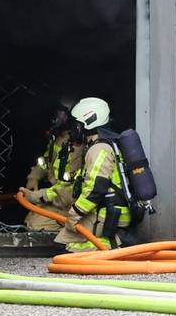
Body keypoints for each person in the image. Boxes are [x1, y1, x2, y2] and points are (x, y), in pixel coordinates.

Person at [54, 97, 132, 252]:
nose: (74, 129)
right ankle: (108, 241)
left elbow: (96, 188)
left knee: (64, 246)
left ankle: (113, 243)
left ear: (88, 124)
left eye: (77, 125)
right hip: (105, 210)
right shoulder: (98, 145)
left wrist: (74, 214)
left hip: (108, 214)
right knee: (62, 239)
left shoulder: (99, 149)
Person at [19, 101, 82, 233]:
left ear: (69, 115)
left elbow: (70, 191)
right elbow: (47, 162)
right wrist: (34, 176)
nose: (54, 118)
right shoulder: (58, 138)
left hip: (71, 205)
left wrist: (39, 196)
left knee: (35, 225)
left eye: (59, 113)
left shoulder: (78, 146)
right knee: (30, 219)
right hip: (57, 197)